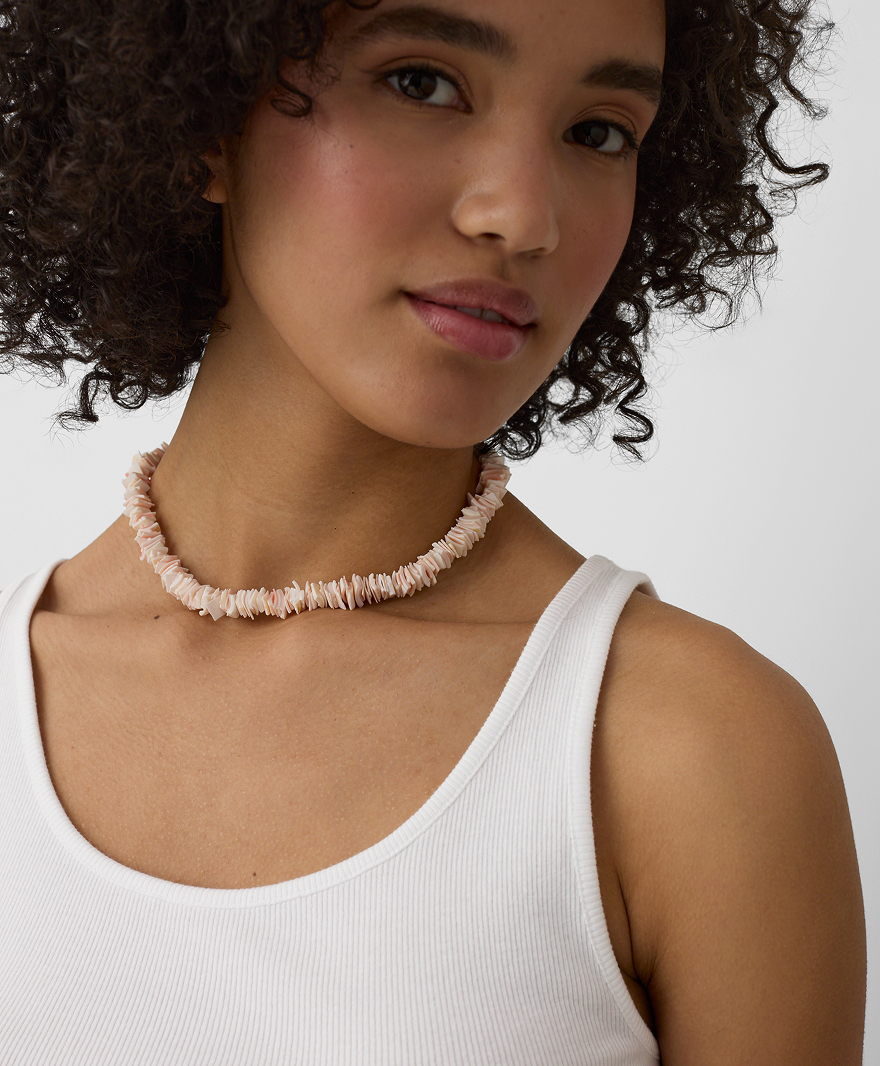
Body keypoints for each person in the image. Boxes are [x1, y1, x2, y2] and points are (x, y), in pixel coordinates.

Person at [0, 0, 867, 1061]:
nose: (522, 216)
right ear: (204, 116)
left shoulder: (685, 752)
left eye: (598, 132)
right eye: (421, 82)